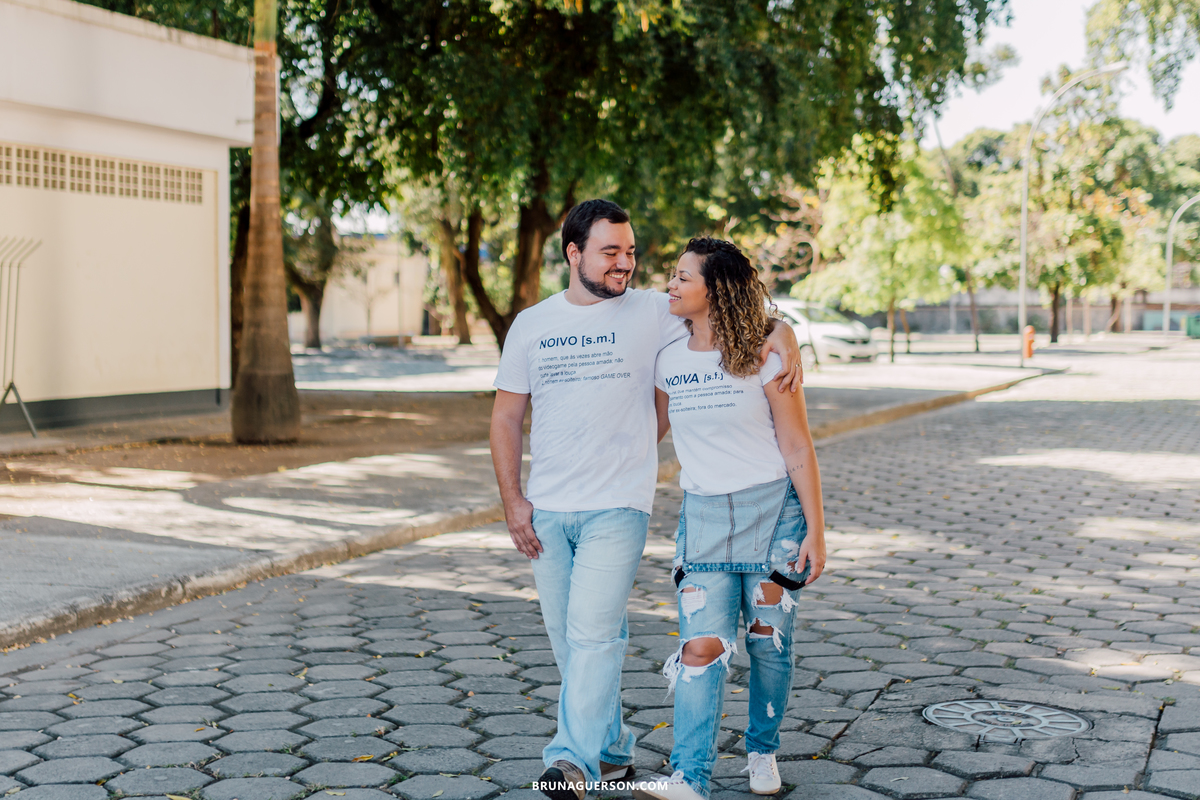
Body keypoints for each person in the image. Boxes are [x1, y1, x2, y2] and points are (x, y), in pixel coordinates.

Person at [489, 201, 803, 800]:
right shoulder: (531, 323)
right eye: (611, 252)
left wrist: (784, 330)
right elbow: (506, 417)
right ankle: (611, 754)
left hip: (618, 505)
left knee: (594, 634)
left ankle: (570, 764)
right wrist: (514, 501)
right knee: (568, 640)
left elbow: (734, 305)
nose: (626, 264)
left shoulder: (656, 312)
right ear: (573, 253)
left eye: (630, 252)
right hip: (548, 508)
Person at [632, 237, 827, 800]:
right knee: (700, 647)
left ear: (714, 288)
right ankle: (688, 776)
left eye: (682, 276)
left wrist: (816, 530)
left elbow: (797, 446)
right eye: (671, 276)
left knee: (770, 643)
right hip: (705, 521)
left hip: (774, 518)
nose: (670, 284)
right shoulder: (668, 356)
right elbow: (650, 432)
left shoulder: (766, 354)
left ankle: (761, 752)